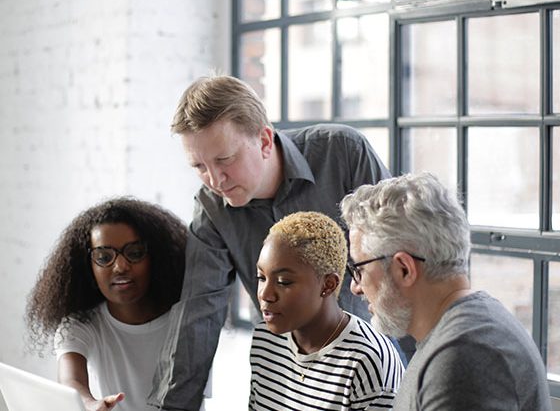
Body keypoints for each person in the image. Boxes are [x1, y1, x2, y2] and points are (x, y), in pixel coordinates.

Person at [148, 74, 402, 411]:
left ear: (265, 141)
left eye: (224, 160)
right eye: (199, 166)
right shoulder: (212, 208)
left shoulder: (343, 153)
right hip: (287, 382)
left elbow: (399, 263)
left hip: (373, 375)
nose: (215, 180)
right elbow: (197, 315)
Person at [340, 172, 552, 411]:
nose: (355, 287)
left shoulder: (461, 358)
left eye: (359, 270)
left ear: (404, 269)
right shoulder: (465, 333)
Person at [26, 197, 209, 411]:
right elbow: (70, 381)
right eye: (104, 257)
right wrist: (90, 404)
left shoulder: (186, 318)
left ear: (155, 257)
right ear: (88, 266)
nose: (120, 267)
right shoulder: (81, 326)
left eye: (134, 254)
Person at [250, 211, 403, 410]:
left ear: (328, 285)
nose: (265, 294)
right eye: (261, 278)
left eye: (283, 282)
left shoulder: (369, 361)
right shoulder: (265, 338)